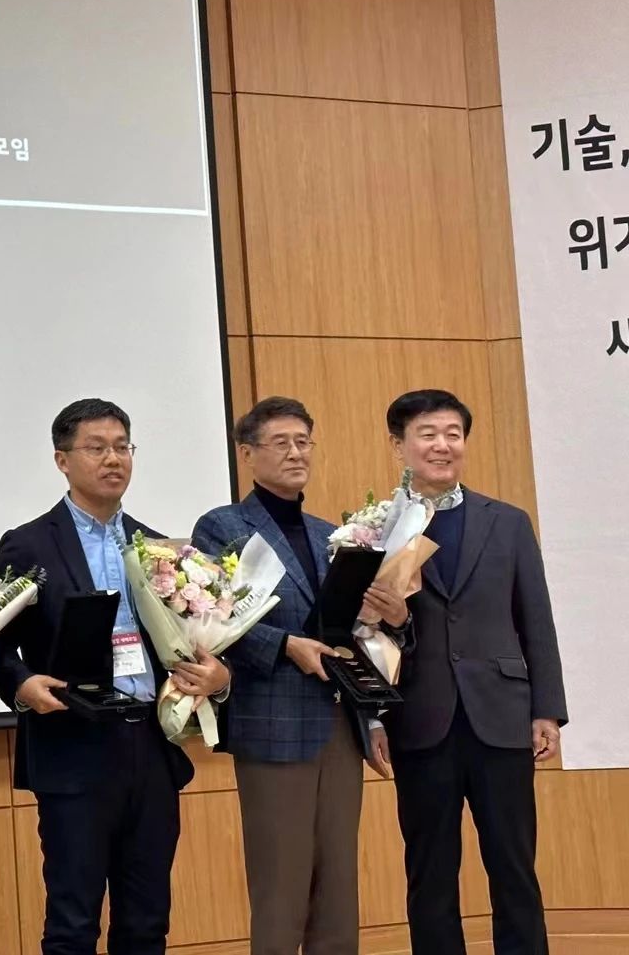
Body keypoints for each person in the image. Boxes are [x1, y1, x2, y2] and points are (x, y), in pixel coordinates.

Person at [0, 398, 229, 955]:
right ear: (62, 460)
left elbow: (189, 638)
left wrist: (215, 673)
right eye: (96, 448)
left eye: (122, 447)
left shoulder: (159, 547)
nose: (113, 459)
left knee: (146, 921)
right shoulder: (29, 544)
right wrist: (20, 684)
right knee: (73, 924)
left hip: (149, 744)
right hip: (72, 744)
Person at [192, 396, 411, 955]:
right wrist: (286, 646)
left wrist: (373, 712)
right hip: (273, 723)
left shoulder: (328, 533)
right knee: (281, 889)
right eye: (280, 443)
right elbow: (212, 620)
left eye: (303, 442)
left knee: (338, 888)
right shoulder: (223, 528)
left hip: (339, 723)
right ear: (247, 454)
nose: (295, 453)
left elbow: (347, 631)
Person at [382, 389, 567, 955]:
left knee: (514, 866)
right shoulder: (377, 529)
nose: (442, 445)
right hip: (420, 719)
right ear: (399, 446)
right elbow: (364, 635)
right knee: (430, 872)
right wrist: (374, 715)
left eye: (452, 434)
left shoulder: (507, 522)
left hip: (501, 717)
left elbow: (535, 618)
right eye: (427, 434)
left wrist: (547, 710)